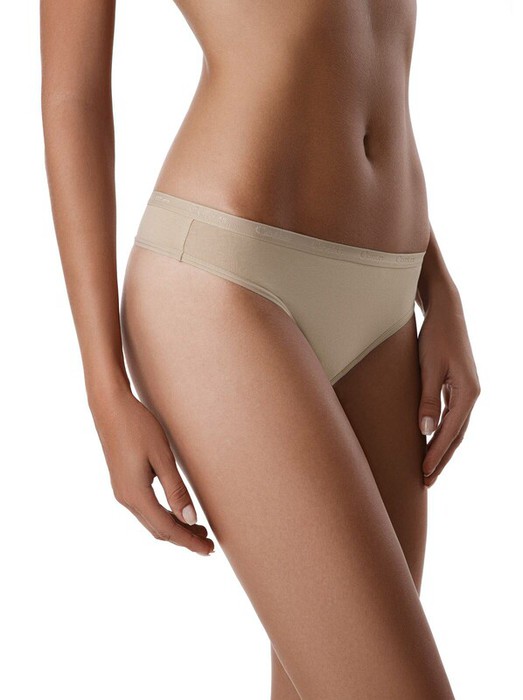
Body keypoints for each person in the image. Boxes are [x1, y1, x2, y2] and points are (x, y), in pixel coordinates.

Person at [40, 1, 481, 697]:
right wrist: (104, 384)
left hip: (388, 301)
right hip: (228, 279)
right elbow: (73, 96)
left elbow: (363, 59)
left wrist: (440, 292)